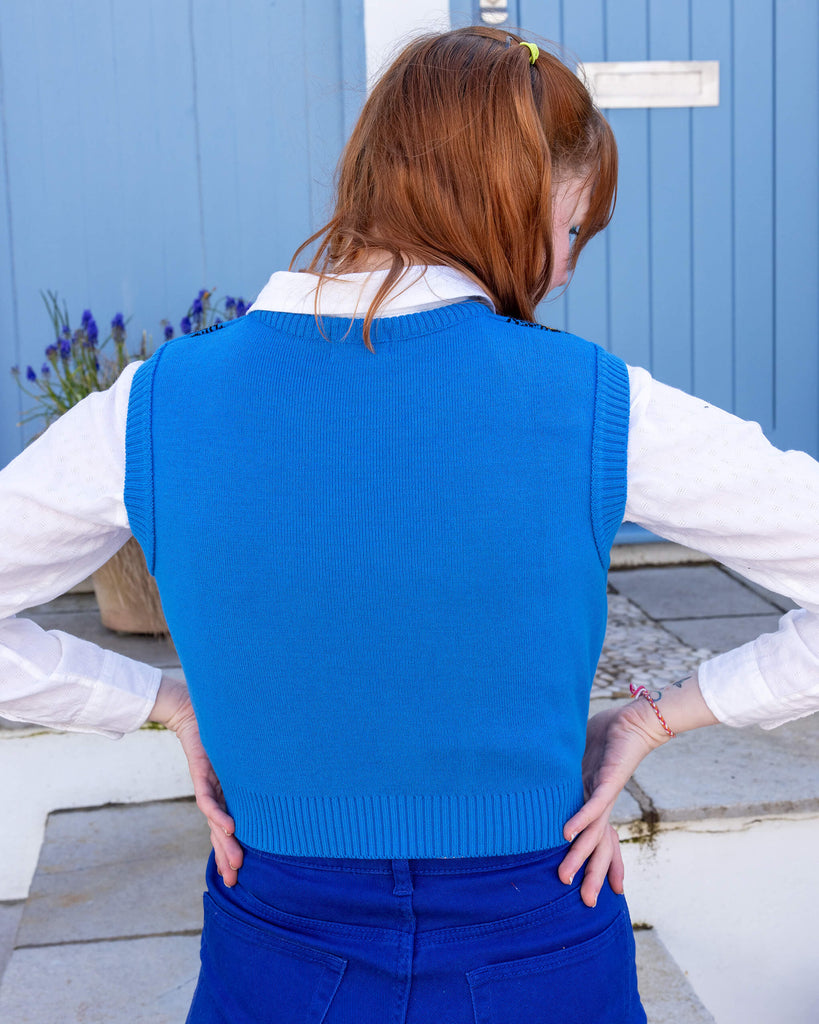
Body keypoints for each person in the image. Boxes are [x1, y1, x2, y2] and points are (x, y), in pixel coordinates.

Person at [1, 25, 818, 1023]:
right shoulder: (595, 400)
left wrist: (162, 699)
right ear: (511, 201)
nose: (564, 272)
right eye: (570, 233)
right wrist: (661, 714)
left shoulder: (158, 403)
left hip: (279, 955)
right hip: (539, 947)